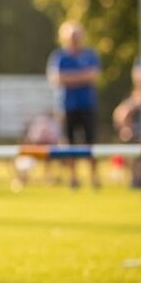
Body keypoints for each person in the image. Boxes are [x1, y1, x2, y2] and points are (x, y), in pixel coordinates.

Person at [47, 21, 101, 189]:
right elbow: (57, 79)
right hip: (66, 106)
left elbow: (94, 76)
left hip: (87, 105)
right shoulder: (59, 57)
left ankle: (94, 177)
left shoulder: (90, 55)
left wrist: (70, 78)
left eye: (78, 36)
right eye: (72, 37)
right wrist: (82, 77)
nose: (76, 40)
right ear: (65, 38)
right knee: (68, 143)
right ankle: (73, 178)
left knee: (90, 141)